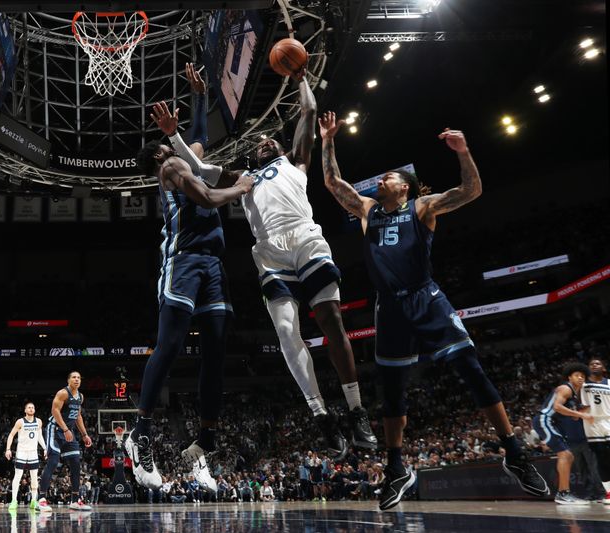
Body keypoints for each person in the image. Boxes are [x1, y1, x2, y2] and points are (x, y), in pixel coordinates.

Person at [317, 112, 549, 510]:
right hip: (388, 308)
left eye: (389, 176)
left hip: (426, 298)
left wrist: (464, 151)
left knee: (472, 371)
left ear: (403, 187)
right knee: (391, 395)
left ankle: (515, 453)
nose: (382, 180)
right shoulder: (369, 209)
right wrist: (328, 140)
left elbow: (471, 190)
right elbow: (333, 184)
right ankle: (396, 469)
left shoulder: (423, 207)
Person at [153, 64, 377, 459]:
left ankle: (356, 411)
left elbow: (307, 113)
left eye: (266, 138)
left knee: (331, 320)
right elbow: (201, 169)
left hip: (305, 236)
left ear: (277, 147)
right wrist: (174, 134)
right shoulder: (244, 177)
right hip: (269, 250)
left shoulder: (296, 161)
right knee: (288, 332)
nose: (261, 140)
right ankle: (321, 414)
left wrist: (302, 75)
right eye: (256, 141)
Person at [127, 64, 253, 493]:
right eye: (168, 143)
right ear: (160, 156)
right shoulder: (169, 171)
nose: (175, 142)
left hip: (213, 264)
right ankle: (139, 432)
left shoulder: (183, 160)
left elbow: (199, 138)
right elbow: (207, 195)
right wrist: (241, 187)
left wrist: (198, 96)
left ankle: (207, 439)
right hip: (182, 262)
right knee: (171, 344)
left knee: (216, 348)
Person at [533, 363, 594, 504]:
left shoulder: (574, 396)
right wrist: (582, 414)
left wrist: (585, 410)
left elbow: (574, 417)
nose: (580, 378)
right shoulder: (565, 388)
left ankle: (563, 493)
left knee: (568, 456)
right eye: (577, 375)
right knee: (566, 455)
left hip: (552, 423)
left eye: (583, 376)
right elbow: (557, 407)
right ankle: (563, 494)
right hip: (545, 420)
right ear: (569, 377)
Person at [37, 371, 92, 512]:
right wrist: (66, 429)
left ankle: (75, 500)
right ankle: (41, 499)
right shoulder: (63, 393)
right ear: (68, 380)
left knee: (75, 463)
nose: (77, 379)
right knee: (53, 462)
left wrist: (85, 434)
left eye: (79, 377)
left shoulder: (80, 396)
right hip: (55, 430)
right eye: (74, 377)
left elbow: (78, 416)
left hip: (69, 431)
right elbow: (55, 411)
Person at [5, 402, 46, 511]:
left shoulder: (39, 422)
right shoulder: (20, 422)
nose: (31, 409)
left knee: (34, 477)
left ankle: (33, 500)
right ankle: (14, 501)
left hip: (33, 452)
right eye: (29, 407)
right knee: (18, 476)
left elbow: (39, 436)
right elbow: (11, 435)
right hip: (22, 452)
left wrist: (45, 448)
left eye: (33, 407)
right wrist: (8, 449)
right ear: (25, 410)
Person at [581, 357, 610, 504]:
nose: (594, 365)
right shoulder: (584, 385)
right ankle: (609, 493)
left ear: (604, 368)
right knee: (602, 460)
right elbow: (582, 406)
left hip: (609, 420)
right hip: (592, 424)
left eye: (598, 363)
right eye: (591, 364)